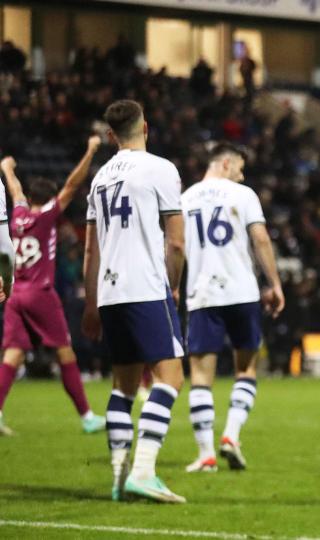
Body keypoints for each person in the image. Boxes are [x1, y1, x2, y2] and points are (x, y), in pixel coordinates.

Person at [82, 100, 187, 503]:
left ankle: (117, 476)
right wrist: (173, 287)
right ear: (146, 127)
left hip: (110, 293)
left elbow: (91, 251)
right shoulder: (160, 168)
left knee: (123, 388)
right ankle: (143, 472)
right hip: (145, 287)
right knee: (170, 378)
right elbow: (175, 241)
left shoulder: (99, 179)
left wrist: (92, 304)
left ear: (111, 136)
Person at [181, 143, 284, 473]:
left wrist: (171, 284)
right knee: (246, 368)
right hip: (242, 292)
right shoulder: (243, 195)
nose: (241, 175)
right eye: (239, 167)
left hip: (203, 294)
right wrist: (274, 283)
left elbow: (176, 246)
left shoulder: (185, 199)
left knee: (200, 376)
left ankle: (206, 454)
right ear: (225, 163)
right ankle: (231, 435)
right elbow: (261, 239)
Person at [0, 137, 106, 436]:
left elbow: (15, 190)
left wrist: (7, 168)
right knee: (65, 352)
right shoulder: (46, 217)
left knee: (12, 355)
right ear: (47, 199)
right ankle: (86, 416)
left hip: (15, 294)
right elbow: (72, 186)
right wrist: (90, 150)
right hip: (39, 293)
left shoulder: (17, 215)